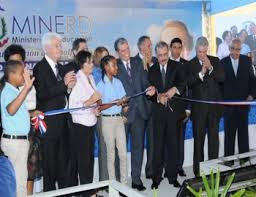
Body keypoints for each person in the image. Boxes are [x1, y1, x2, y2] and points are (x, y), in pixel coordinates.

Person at [33, 32, 76, 192]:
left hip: (64, 124)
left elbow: (62, 93)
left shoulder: (61, 68)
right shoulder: (39, 69)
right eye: (57, 45)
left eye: (60, 45)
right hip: (49, 128)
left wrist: (69, 89)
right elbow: (41, 94)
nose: (60, 48)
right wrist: (63, 85)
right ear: (46, 48)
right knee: (50, 170)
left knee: (64, 167)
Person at [114, 37, 155, 191]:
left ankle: (136, 179)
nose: (126, 53)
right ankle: (120, 181)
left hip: (139, 113)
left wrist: (150, 88)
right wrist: (121, 108)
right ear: (118, 52)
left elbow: (144, 82)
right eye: (123, 51)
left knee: (138, 148)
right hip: (123, 115)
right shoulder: (115, 66)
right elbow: (112, 92)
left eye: (127, 49)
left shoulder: (138, 62)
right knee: (121, 150)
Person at [148, 41, 186, 189]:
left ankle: (172, 176)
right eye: (160, 55)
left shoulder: (177, 67)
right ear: (156, 55)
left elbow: (183, 84)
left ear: (168, 53)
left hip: (173, 115)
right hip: (158, 115)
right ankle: (156, 178)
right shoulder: (151, 70)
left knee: (173, 147)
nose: (163, 58)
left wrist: (172, 91)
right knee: (157, 148)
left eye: (165, 54)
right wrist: (157, 97)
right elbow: (149, 93)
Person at [1, 60, 41, 197]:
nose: (25, 76)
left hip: (19, 143)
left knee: (20, 181)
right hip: (14, 144)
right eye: (21, 73)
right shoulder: (8, 91)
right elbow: (11, 110)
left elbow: (15, 112)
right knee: (17, 184)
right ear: (11, 75)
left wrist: (31, 114)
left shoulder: (13, 91)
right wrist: (26, 89)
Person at [188, 37, 224, 177]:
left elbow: (222, 78)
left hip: (214, 111)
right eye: (199, 51)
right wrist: (201, 73)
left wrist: (210, 68)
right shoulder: (190, 64)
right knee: (199, 142)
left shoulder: (215, 61)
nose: (201, 54)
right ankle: (198, 172)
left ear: (207, 49)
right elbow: (189, 84)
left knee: (213, 142)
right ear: (196, 49)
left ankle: (213, 170)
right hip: (198, 112)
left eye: (204, 51)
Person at [69, 50, 101, 197]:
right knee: (83, 161)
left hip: (91, 123)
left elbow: (92, 102)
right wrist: (91, 100)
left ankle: (89, 191)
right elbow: (72, 107)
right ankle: (88, 193)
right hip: (80, 126)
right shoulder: (77, 79)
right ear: (82, 64)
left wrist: (95, 109)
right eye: (88, 62)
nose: (92, 64)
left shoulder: (91, 78)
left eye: (92, 61)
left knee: (89, 159)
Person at [221, 39, 255, 163]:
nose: (236, 52)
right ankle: (229, 163)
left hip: (243, 105)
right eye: (233, 49)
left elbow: (252, 80)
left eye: (238, 49)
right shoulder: (222, 62)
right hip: (229, 107)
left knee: (243, 136)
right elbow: (220, 85)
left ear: (241, 49)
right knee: (229, 136)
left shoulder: (246, 61)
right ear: (229, 49)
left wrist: (252, 94)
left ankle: (244, 161)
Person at [97, 55, 128, 184]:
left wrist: (125, 103)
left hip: (119, 120)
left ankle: (125, 184)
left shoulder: (118, 82)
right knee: (110, 155)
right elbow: (99, 107)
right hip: (107, 121)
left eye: (116, 64)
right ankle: (113, 185)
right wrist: (114, 103)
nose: (116, 67)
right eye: (113, 65)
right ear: (106, 67)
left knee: (123, 154)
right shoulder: (100, 85)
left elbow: (124, 100)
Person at [134, 35, 157, 179]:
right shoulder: (134, 62)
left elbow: (156, 83)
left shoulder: (154, 61)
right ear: (141, 46)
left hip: (153, 108)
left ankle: (151, 171)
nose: (150, 48)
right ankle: (136, 175)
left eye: (150, 45)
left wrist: (151, 67)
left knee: (153, 143)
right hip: (139, 110)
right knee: (138, 145)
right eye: (148, 45)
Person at [169, 37, 189, 177]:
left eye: (179, 47)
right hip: (167, 109)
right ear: (170, 48)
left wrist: (188, 109)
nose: (176, 50)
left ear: (181, 48)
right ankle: (168, 167)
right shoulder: (165, 63)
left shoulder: (186, 65)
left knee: (180, 139)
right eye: (174, 47)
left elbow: (189, 89)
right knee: (168, 140)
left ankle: (179, 166)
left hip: (182, 109)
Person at [92, 46, 110, 182]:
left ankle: (111, 178)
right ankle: (104, 180)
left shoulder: (107, 72)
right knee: (104, 148)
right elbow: (99, 96)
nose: (106, 59)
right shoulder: (95, 73)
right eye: (103, 57)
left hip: (111, 112)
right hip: (101, 113)